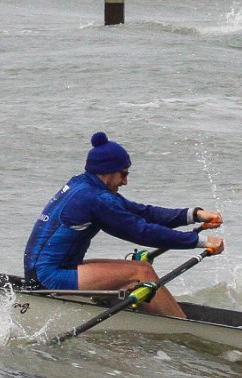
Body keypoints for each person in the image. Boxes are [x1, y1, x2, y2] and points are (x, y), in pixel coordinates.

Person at [24, 132, 223, 319]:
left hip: (49, 268)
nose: (125, 181)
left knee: (141, 267)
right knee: (141, 273)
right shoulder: (96, 199)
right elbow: (143, 232)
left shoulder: (83, 184)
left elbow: (142, 213)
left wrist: (194, 215)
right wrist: (201, 241)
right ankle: (184, 329)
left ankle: (151, 316)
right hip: (49, 277)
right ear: (107, 172)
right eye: (123, 174)